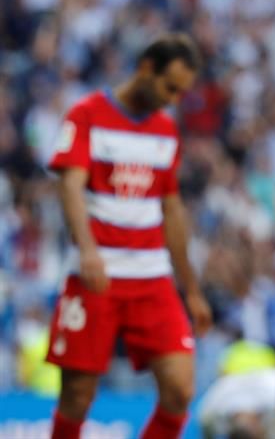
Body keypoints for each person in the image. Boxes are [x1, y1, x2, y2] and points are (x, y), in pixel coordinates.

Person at [46, 33, 212, 439]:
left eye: (181, 92)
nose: (173, 99)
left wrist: (190, 288)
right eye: (169, 87)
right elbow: (69, 185)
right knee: (77, 397)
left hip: (151, 278)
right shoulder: (87, 114)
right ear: (145, 69)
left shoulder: (165, 129)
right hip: (96, 274)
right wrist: (87, 250)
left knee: (180, 389)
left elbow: (171, 209)